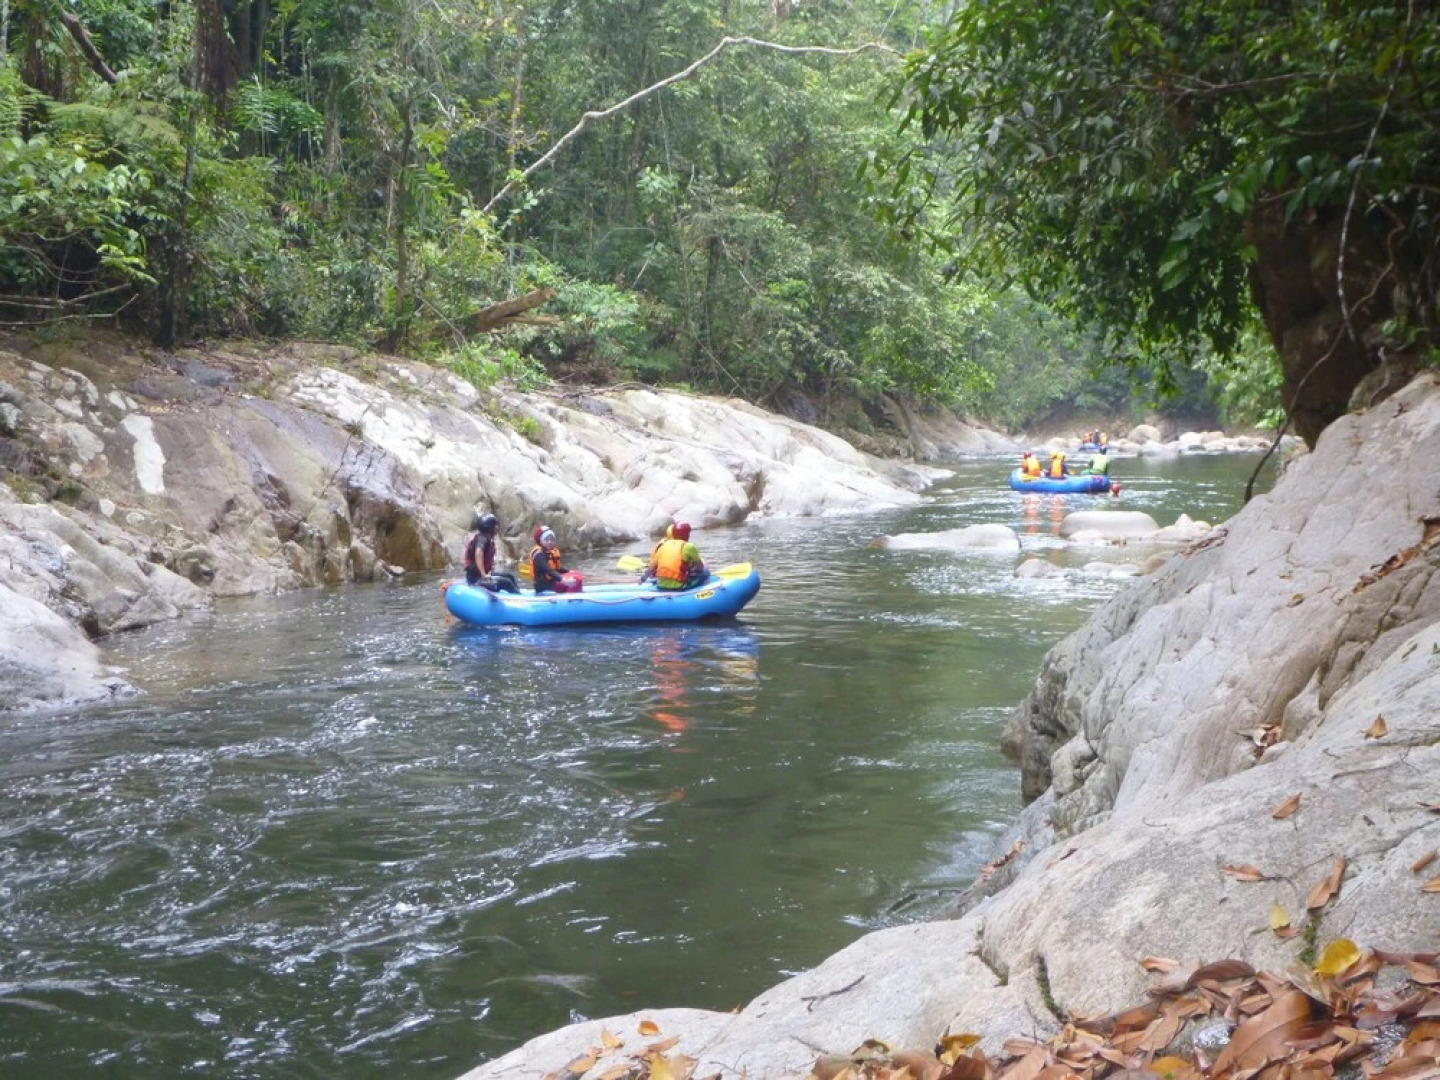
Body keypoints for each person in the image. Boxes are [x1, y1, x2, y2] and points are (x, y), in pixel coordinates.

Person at [641, 521, 707, 590]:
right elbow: (700, 568)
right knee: (705, 571)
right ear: (687, 534)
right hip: (679, 586)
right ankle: (703, 590)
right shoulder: (689, 546)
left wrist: (643, 580)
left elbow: (651, 568)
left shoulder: (663, 546)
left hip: (660, 584)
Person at [463, 513, 519, 593]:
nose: (496, 528)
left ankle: (518, 593)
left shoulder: (485, 538)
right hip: (477, 579)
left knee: (509, 576)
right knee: (506, 582)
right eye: (495, 526)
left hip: (481, 576)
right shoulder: (482, 539)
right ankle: (517, 598)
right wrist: (483, 574)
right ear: (489, 528)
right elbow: (478, 552)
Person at [529, 527, 580, 594]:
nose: (549, 542)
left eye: (551, 539)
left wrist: (569, 571)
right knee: (576, 581)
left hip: (552, 581)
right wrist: (563, 580)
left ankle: (574, 594)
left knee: (577, 576)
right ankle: (570, 600)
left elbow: (556, 567)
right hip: (544, 586)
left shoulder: (549, 551)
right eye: (546, 539)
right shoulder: (538, 555)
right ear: (541, 541)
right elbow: (549, 570)